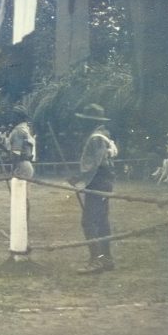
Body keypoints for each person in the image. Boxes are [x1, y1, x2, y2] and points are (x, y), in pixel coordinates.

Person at [68, 104, 118, 274]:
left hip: (97, 182)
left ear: (91, 122)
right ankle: (107, 259)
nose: (82, 124)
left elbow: (95, 164)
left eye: (85, 121)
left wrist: (80, 179)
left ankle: (96, 261)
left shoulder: (96, 138)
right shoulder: (104, 135)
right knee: (102, 220)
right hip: (104, 182)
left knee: (88, 221)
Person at [7, 113, 36, 180]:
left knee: (18, 189)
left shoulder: (18, 131)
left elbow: (16, 152)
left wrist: (14, 170)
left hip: (21, 165)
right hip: (26, 164)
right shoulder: (25, 130)